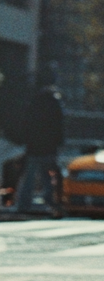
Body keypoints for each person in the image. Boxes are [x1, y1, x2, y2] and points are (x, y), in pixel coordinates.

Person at [14, 84, 64, 216]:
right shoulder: (55, 106)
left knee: (29, 177)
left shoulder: (33, 105)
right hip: (49, 148)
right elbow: (59, 127)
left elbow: (26, 125)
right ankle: (51, 202)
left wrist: (25, 141)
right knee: (47, 177)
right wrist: (58, 143)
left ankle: (23, 204)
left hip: (34, 148)